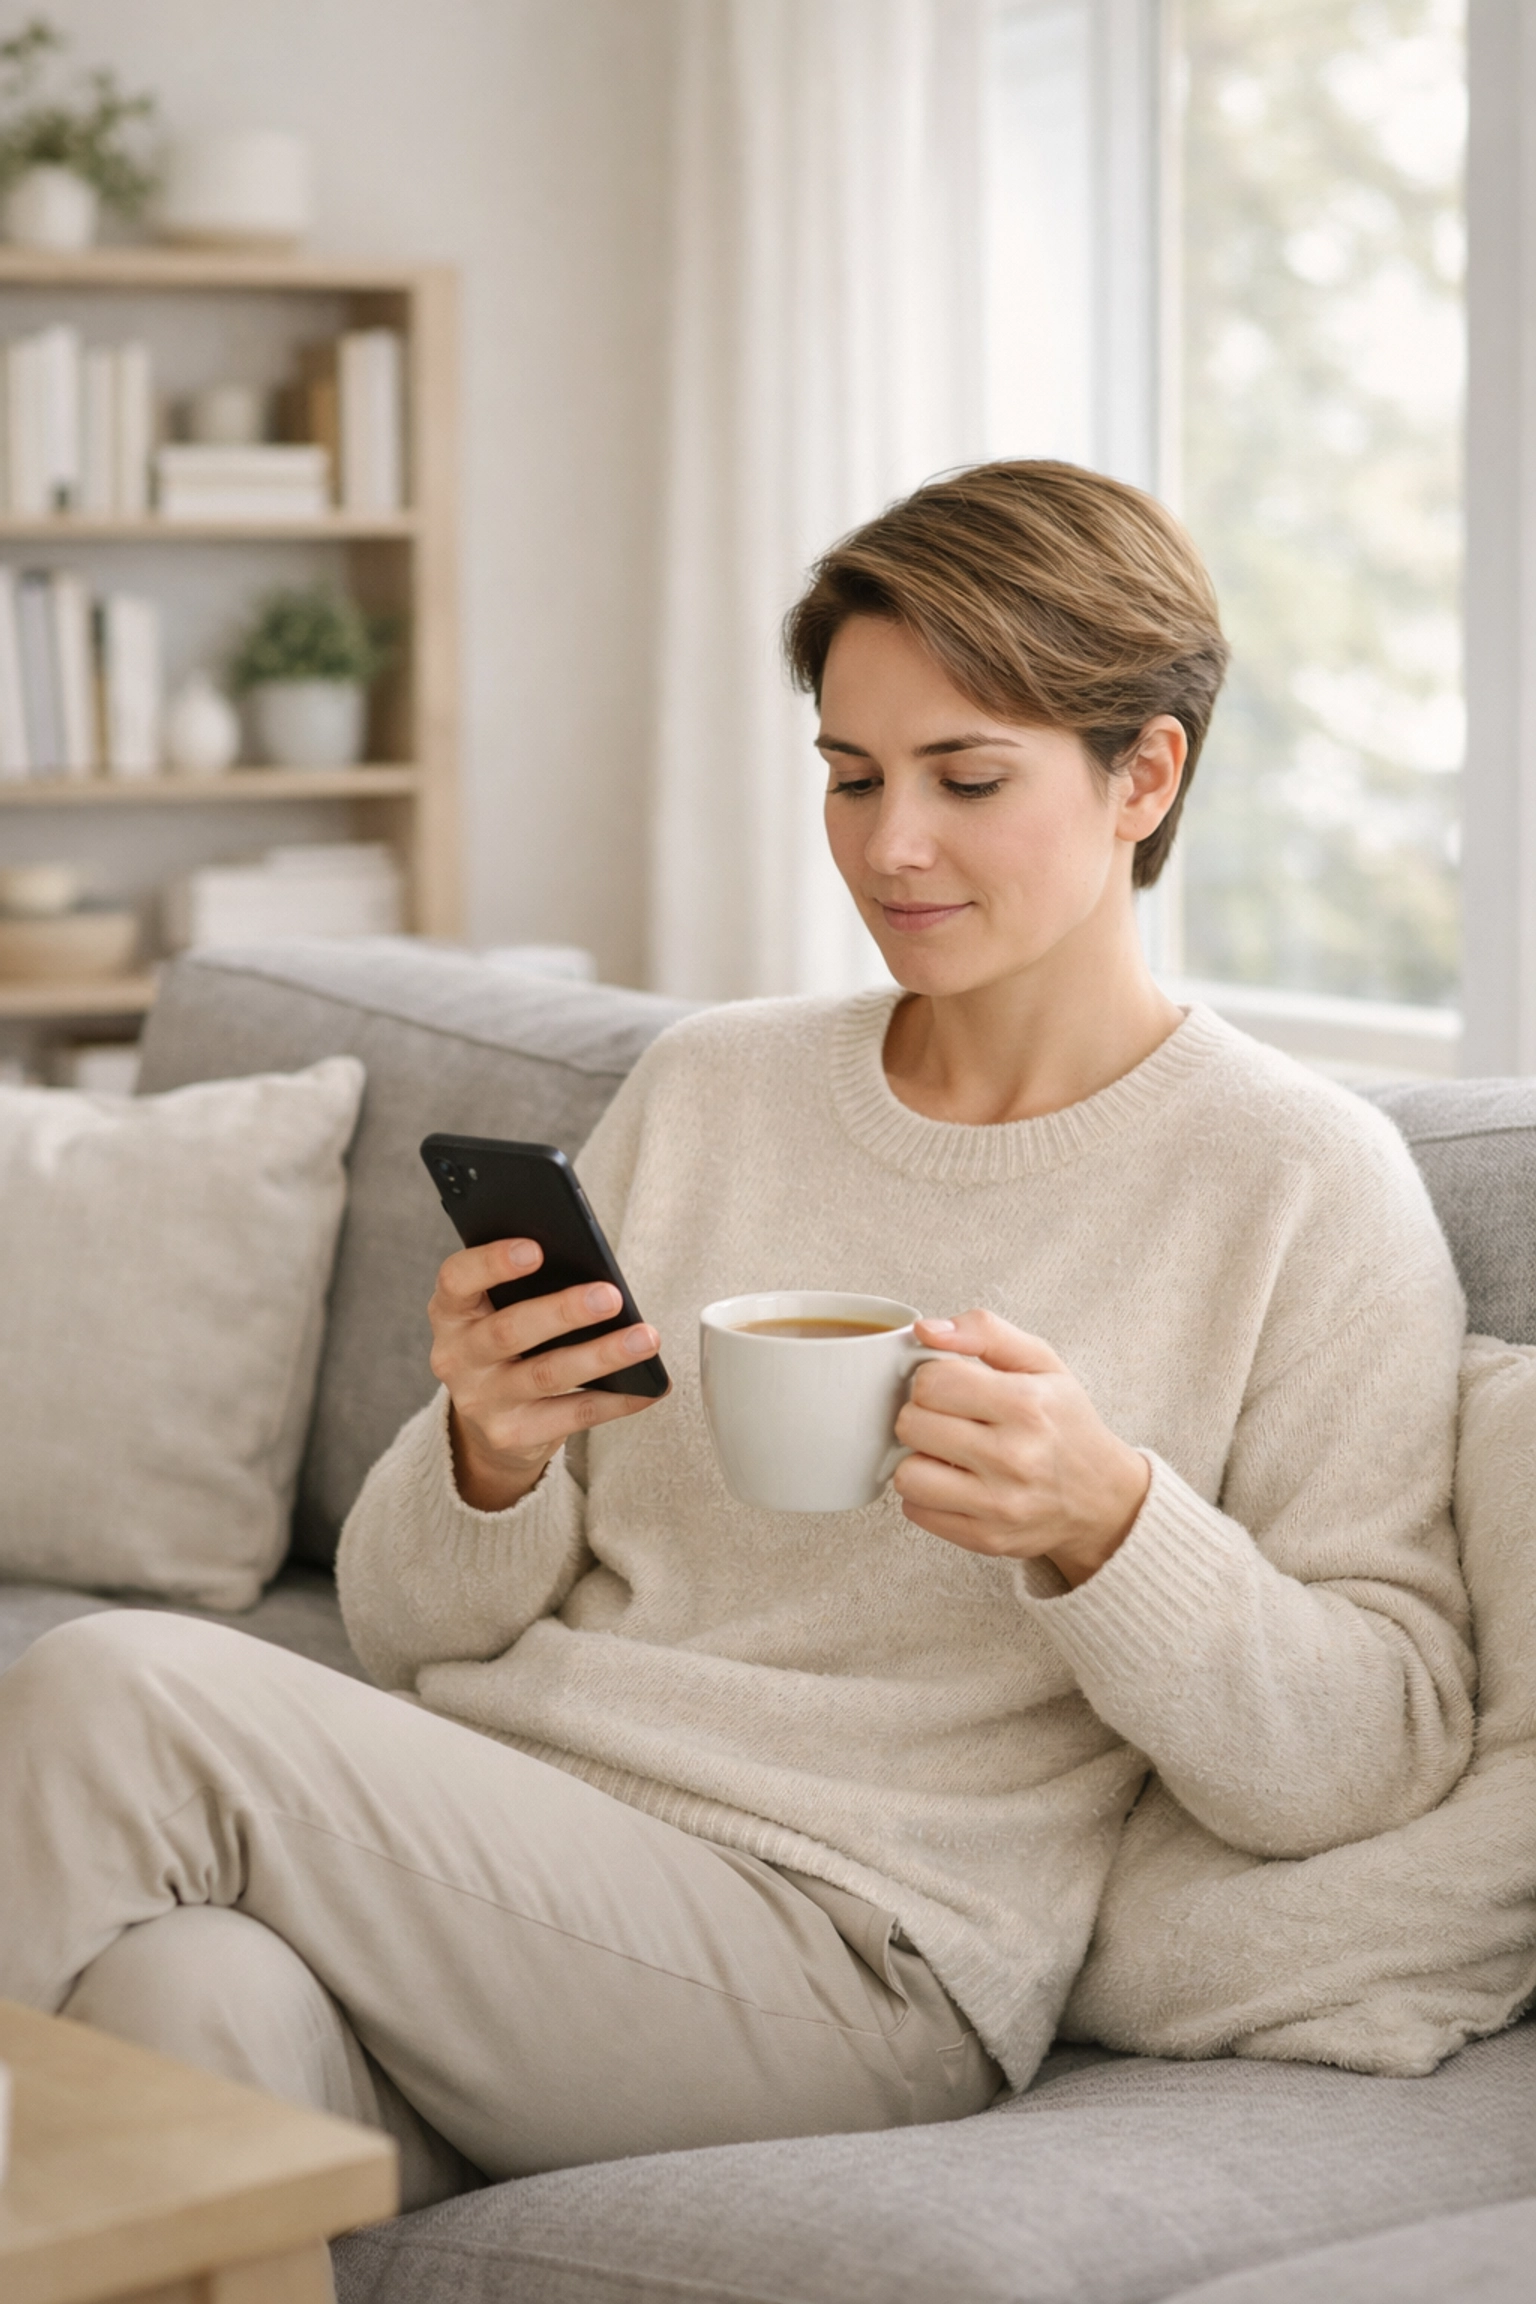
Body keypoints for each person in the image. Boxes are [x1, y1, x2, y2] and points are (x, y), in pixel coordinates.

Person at [0, 462, 1474, 2207]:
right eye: (850, 778)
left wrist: (1108, 1523)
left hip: (857, 1959)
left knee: (121, 1690)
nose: (889, 844)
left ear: (1144, 773)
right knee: (189, 1998)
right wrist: (487, 1453)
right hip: (517, 1867)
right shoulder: (716, 1085)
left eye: (965, 777)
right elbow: (406, 1634)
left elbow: (1373, 1749)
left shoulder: (1300, 1176)